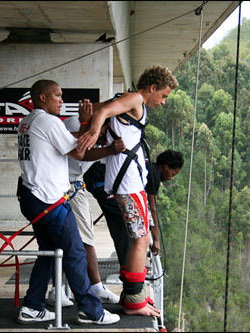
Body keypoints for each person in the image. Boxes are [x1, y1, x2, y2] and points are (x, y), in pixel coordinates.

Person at [16, 79, 122, 325]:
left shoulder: (27, 122)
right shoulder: (48, 121)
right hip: (49, 199)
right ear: (43, 98)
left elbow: (69, 141)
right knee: (75, 253)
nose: (62, 101)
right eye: (58, 96)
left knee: (49, 253)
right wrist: (87, 122)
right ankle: (91, 311)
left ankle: (32, 307)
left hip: (32, 196)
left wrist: (87, 128)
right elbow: (79, 152)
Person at [77, 65, 178, 317]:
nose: (163, 102)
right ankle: (134, 300)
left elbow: (103, 108)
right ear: (152, 87)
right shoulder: (135, 98)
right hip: (127, 184)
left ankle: (132, 294)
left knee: (139, 239)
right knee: (141, 240)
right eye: (163, 96)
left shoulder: (133, 101)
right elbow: (106, 111)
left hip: (132, 183)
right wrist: (92, 129)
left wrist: (93, 118)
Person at [46, 116, 120, 307]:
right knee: (63, 238)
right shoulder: (74, 125)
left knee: (87, 238)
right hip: (57, 187)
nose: (106, 137)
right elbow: (77, 153)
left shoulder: (105, 140)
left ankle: (96, 287)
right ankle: (57, 290)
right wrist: (106, 146)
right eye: (105, 132)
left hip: (75, 185)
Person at [145, 149, 184, 256]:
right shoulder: (154, 176)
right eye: (173, 174)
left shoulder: (150, 167)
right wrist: (156, 240)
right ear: (166, 167)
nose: (171, 178)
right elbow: (153, 209)